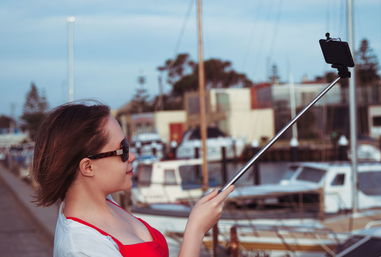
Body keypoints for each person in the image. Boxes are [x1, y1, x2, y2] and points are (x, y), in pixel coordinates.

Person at [32, 101, 234, 257]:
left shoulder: (102, 202)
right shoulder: (81, 248)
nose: (133, 156)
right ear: (88, 167)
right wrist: (196, 230)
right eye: (123, 150)